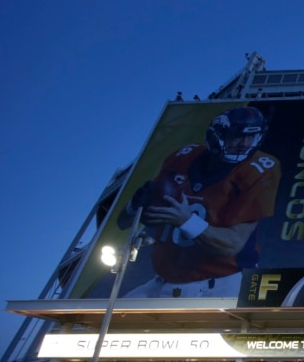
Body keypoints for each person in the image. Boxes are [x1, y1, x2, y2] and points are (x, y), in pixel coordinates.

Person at [117, 106, 281, 298]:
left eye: (250, 137)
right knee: (108, 320)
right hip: (162, 281)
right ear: (217, 135)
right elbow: (123, 223)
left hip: (220, 286)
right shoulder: (182, 157)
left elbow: (232, 244)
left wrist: (186, 221)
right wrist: (134, 205)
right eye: (237, 135)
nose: (244, 143)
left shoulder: (260, 169)